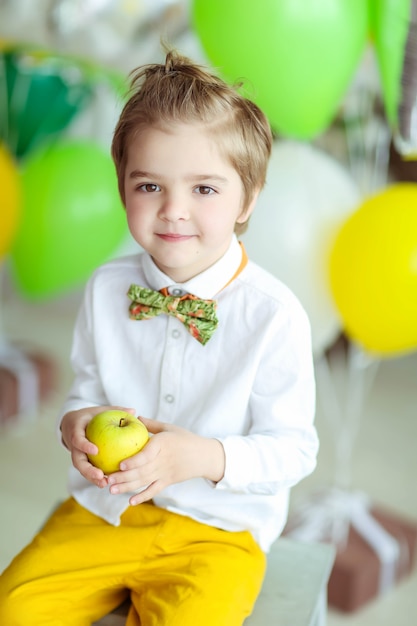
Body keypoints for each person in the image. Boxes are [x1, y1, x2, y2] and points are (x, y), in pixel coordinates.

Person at [0, 48, 319, 626]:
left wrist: (204, 456)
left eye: (204, 189)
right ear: (123, 189)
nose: (173, 210)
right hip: (104, 511)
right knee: (13, 606)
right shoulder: (105, 289)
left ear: (247, 199)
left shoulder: (274, 315)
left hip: (217, 534)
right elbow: (88, 388)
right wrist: (75, 422)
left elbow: (296, 449)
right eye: (150, 186)